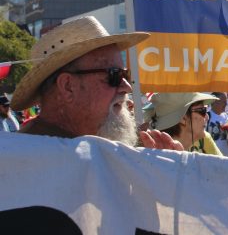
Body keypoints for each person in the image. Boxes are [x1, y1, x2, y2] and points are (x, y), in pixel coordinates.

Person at [10, 16, 179, 150]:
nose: (126, 86)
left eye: (125, 74)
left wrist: (159, 177)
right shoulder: (26, 159)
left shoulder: (86, 149)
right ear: (68, 86)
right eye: (114, 75)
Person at [143, 92, 222, 155]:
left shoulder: (155, 155)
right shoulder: (155, 156)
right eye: (202, 110)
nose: (207, 117)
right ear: (183, 118)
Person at [206, 92, 228, 156]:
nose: (226, 104)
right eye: (224, 102)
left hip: (225, 158)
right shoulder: (206, 117)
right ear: (214, 102)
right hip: (210, 158)